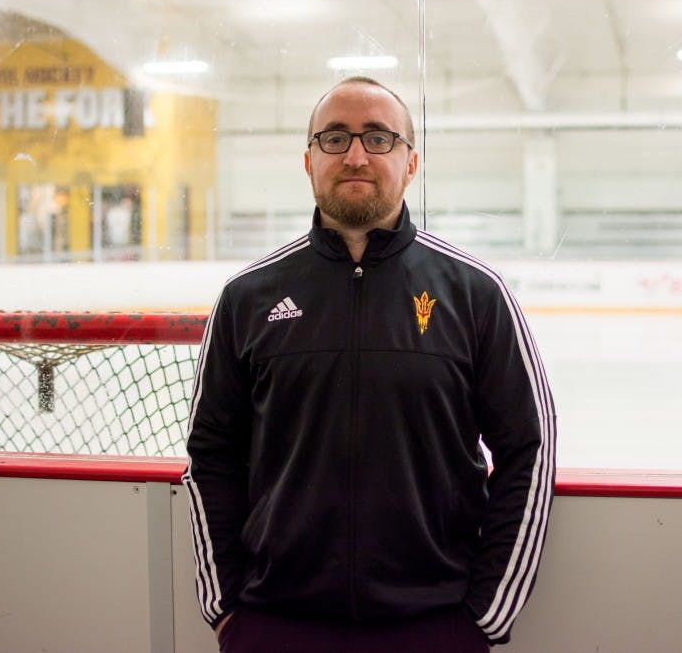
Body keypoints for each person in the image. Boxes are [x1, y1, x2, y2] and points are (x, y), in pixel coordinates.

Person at [182, 76, 556, 652]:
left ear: (410, 163)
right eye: (335, 138)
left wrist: (484, 617)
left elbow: (529, 448)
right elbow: (210, 457)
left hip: (434, 626)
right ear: (309, 161)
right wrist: (228, 608)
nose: (356, 155)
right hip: (275, 624)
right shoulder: (247, 297)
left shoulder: (476, 294)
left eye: (379, 138)